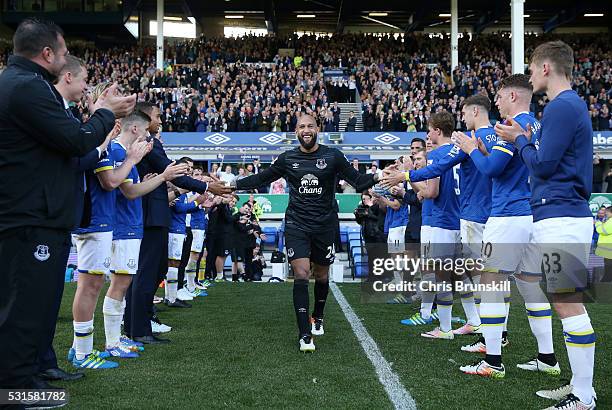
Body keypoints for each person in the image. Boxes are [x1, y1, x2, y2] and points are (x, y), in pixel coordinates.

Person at [0, 18, 134, 390]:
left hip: (42, 215)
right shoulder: (26, 88)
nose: (65, 59)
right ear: (47, 54)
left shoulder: (27, 85)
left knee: (40, 304)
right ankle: (16, 386)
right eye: (62, 52)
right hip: (28, 217)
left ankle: (40, 366)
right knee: (23, 307)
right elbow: (78, 141)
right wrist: (106, 111)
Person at [495, 40, 596, 409]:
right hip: (559, 214)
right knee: (561, 300)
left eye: (533, 68)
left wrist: (521, 140)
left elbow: (543, 165)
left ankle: (583, 396)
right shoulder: (567, 107)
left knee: (568, 304)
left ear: (546, 69)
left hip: (563, 215)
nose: (531, 75)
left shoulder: (561, 107)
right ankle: (579, 387)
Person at [234, 114, 379, 352]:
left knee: (321, 276)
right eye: (301, 126)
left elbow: (358, 180)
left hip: (325, 225)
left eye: (310, 125)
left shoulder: (332, 156)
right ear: (296, 131)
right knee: (301, 274)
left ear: (318, 129)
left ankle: (318, 315)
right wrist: (233, 185)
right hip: (297, 224)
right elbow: (262, 177)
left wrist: (379, 176)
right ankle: (304, 334)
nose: (306, 130)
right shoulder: (287, 158)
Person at [455, 75, 559, 379]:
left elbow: (492, 170)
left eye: (499, 97)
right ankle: (547, 358)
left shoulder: (509, 127)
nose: (496, 103)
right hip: (533, 215)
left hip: (507, 215)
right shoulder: (538, 126)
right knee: (529, 284)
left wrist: (472, 148)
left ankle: (494, 362)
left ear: (512, 96)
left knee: (490, 285)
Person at [123, 102, 230, 345]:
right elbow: (171, 172)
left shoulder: (146, 143)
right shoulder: (148, 143)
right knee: (147, 272)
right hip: (151, 215)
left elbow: (169, 174)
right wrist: (205, 185)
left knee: (152, 270)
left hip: (152, 213)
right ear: (146, 117)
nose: (160, 121)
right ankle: (139, 328)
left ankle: (137, 324)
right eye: (158, 116)